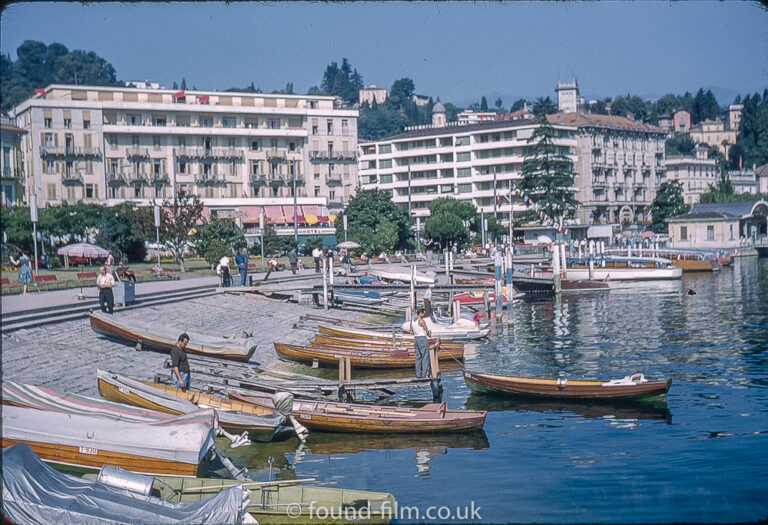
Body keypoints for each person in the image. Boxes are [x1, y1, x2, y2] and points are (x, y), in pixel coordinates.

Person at [410, 308, 432, 378]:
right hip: (422, 338)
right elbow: (427, 331)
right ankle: (424, 374)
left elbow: (411, 331)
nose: (424, 314)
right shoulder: (421, 321)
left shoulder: (412, 321)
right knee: (425, 356)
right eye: (423, 313)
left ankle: (418, 374)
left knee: (418, 357)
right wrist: (429, 334)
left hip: (416, 339)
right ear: (420, 313)